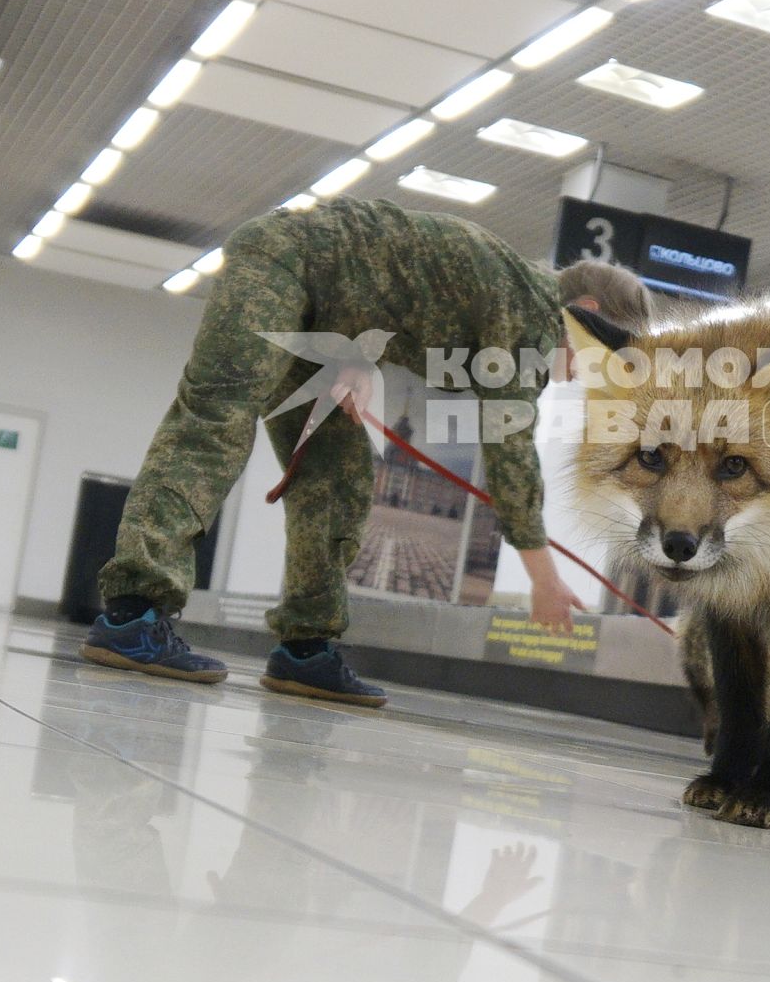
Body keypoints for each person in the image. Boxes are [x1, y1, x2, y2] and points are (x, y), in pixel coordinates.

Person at [80, 196, 652, 706]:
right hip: (284, 258)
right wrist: (544, 579)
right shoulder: (526, 310)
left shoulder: (511, 298)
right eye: (599, 354)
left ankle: (305, 649)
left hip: (326, 312)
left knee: (338, 472)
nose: (586, 371)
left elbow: (392, 286)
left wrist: (355, 360)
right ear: (588, 314)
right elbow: (510, 449)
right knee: (217, 416)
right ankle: (134, 612)